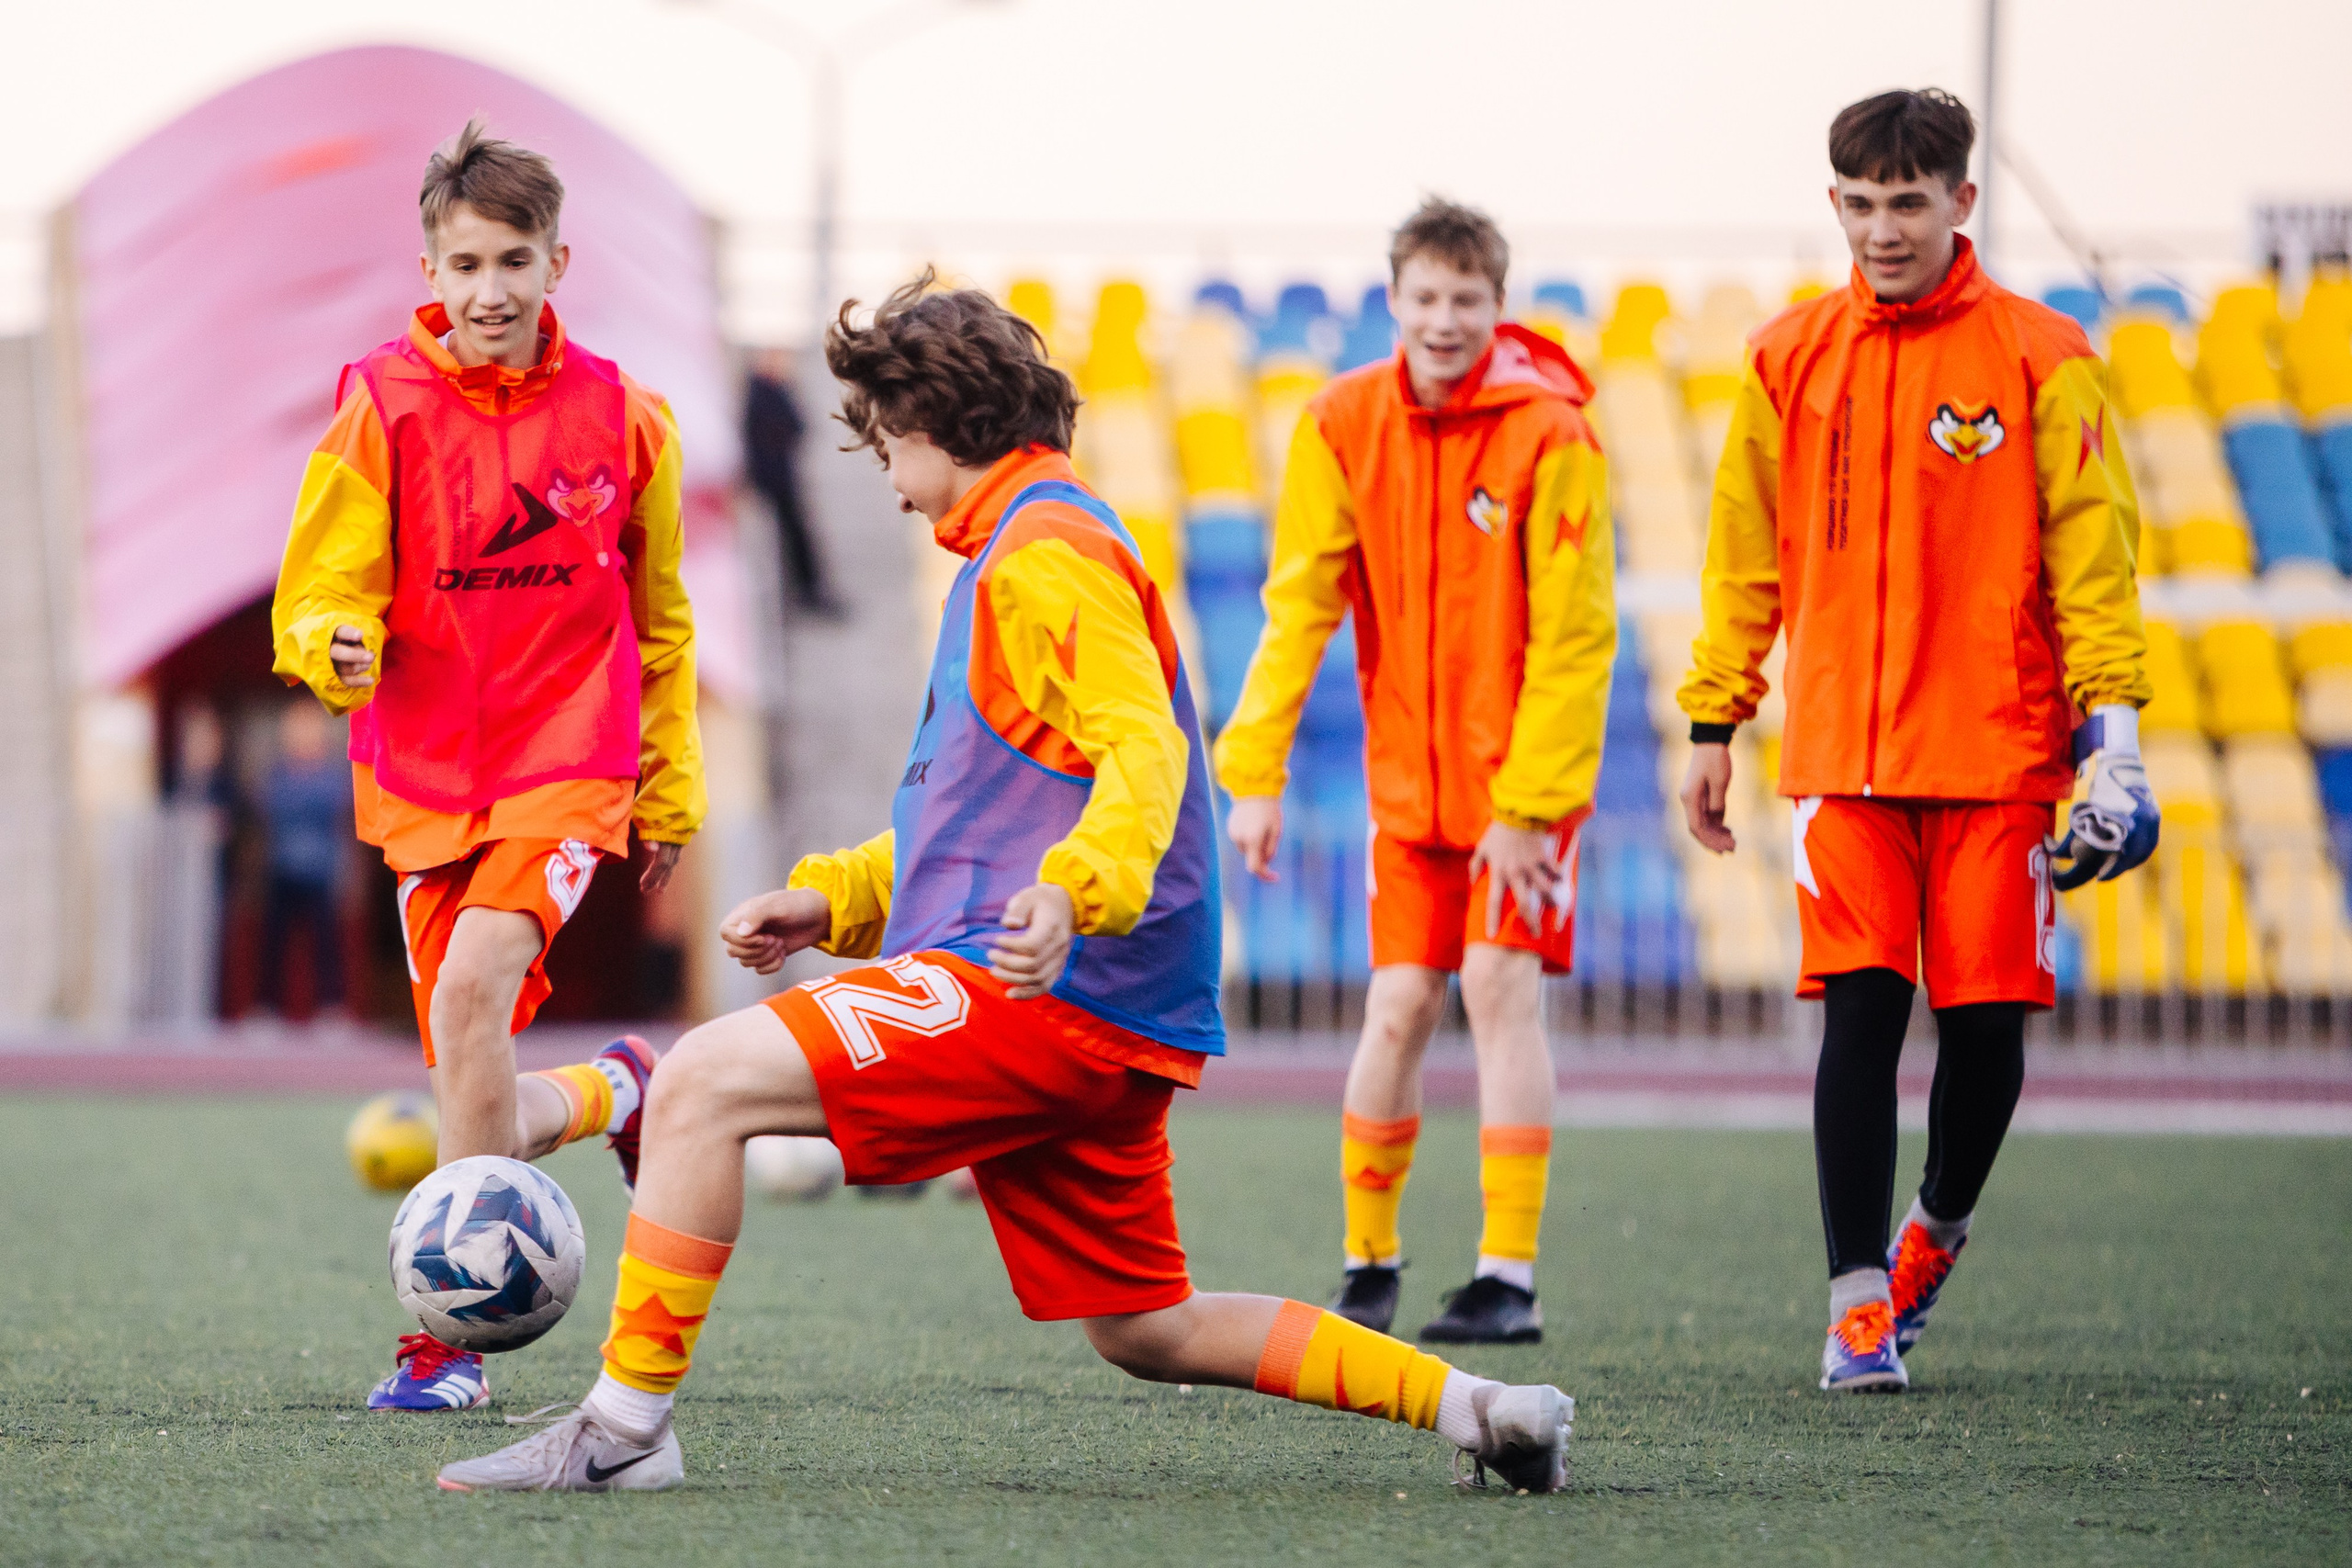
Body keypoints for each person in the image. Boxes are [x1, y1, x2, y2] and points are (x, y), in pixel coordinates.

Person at [435, 272, 1574, 1495]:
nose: (877, 458)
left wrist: (1074, 891)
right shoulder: (1019, 544)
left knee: (704, 1080)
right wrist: (837, 899)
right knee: (1152, 1327)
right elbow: (980, 818)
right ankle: (1486, 1405)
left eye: (883, 428)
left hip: (1047, 982)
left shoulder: (1044, 552)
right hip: (1090, 998)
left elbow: (1144, 747)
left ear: (940, 420)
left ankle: (619, 1433)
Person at [1675, 88, 2156, 1393]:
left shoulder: (2045, 357)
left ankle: (1932, 1232)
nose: (1884, 228)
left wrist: (2114, 736)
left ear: (1961, 201)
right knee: (1861, 1019)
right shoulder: (1785, 358)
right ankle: (1855, 1307)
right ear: (1836, 204)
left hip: (2003, 756)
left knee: (1988, 1031)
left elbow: (2093, 564)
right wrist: (1718, 713)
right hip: (1843, 758)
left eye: (1908, 201)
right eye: (1861, 203)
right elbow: (1743, 557)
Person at [271, 119, 707, 1412]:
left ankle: (441, 1343)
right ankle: (617, 1085)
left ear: (559, 258)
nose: (491, 290)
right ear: (430, 263)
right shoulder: (379, 402)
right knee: (470, 1085)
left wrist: (668, 788)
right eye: (465, 263)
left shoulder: (629, 419)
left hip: (568, 759)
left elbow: (665, 618)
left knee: (469, 1000)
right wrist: (327, 647)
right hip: (418, 778)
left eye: (515, 258)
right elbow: (321, 586)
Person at [1214, 199, 1617, 1344]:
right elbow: (1298, 605)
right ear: (1393, 303)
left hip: (1518, 797)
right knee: (1395, 1007)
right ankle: (1368, 1261)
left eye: (1467, 300)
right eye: (1425, 299)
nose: (1444, 321)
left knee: (1496, 990)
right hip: (1409, 793)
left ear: (1498, 307)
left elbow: (1578, 637)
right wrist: (1256, 775)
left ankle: (1507, 1276)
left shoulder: (1554, 436)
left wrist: (1532, 808)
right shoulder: (1341, 421)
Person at [258, 700, 352, 1020]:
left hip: (320, 870)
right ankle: (268, 1008)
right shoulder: (279, 772)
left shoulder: (331, 773)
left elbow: (333, 806)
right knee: (274, 943)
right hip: (282, 869)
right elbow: (271, 807)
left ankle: (331, 1007)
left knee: (327, 945)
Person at [744, 348, 844, 617]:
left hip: (778, 476)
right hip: (774, 477)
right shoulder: (763, 391)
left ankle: (805, 590)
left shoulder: (766, 389)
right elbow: (790, 426)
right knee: (791, 536)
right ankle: (804, 592)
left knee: (794, 535)